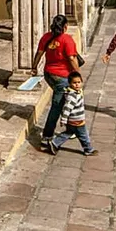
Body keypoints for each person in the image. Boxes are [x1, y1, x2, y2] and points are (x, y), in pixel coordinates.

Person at [31, 15, 80, 149]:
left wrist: (34, 67)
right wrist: (77, 75)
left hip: (49, 74)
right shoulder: (67, 39)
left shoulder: (46, 37)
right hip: (62, 77)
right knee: (57, 106)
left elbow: (39, 53)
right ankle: (47, 136)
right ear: (65, 27)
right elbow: (71, 58)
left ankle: (71, 129)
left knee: (66, 99)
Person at [47, 72, 98, 156]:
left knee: (68, 133)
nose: (77, 85)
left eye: (79, 82)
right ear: (70, 83)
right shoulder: (73, 96)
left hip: (74, 119)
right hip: (76, 120)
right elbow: (67, 108)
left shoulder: (75, 92)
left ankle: (55, 143)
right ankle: (88, 149)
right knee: (84, 135)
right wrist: (63, 119)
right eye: (74, 83)